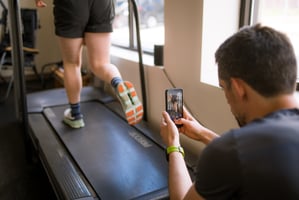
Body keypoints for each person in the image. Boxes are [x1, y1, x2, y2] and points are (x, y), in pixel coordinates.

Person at [160, 24, 299, 200]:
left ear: (238, 87)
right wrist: (203, 133)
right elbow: (249, 156)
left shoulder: (230, 151)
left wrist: (173, 145)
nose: (226, 98)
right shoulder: (240, 150)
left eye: (223, 88)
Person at [35, 0, 143, 128]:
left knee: (72, 63)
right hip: (102, 3)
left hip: (71, 5)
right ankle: (119, 83)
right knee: (101, 64)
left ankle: (75, 115)